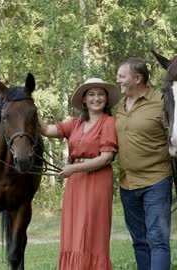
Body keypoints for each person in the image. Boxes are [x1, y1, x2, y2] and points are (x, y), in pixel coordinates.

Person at [38, 78, 120, 270]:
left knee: (92, 229)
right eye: (91, 94)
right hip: (76, 183)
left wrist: (72, 169)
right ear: (84, 100)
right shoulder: (75, 124)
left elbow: (106, 158)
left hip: (98, 181)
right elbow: (47, 130)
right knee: (74, 230)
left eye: (101, 94)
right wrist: (28, 105)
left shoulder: (109, 122)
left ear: (106, 99)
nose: (96, 98)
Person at [115, 58, 173, 270]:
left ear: (137, 78)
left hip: (155, 182)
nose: (118, 80)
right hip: (127, 184)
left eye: (122, 76)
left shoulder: (162, 102)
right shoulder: (120, 106)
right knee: (139, 241)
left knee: (157, 240)